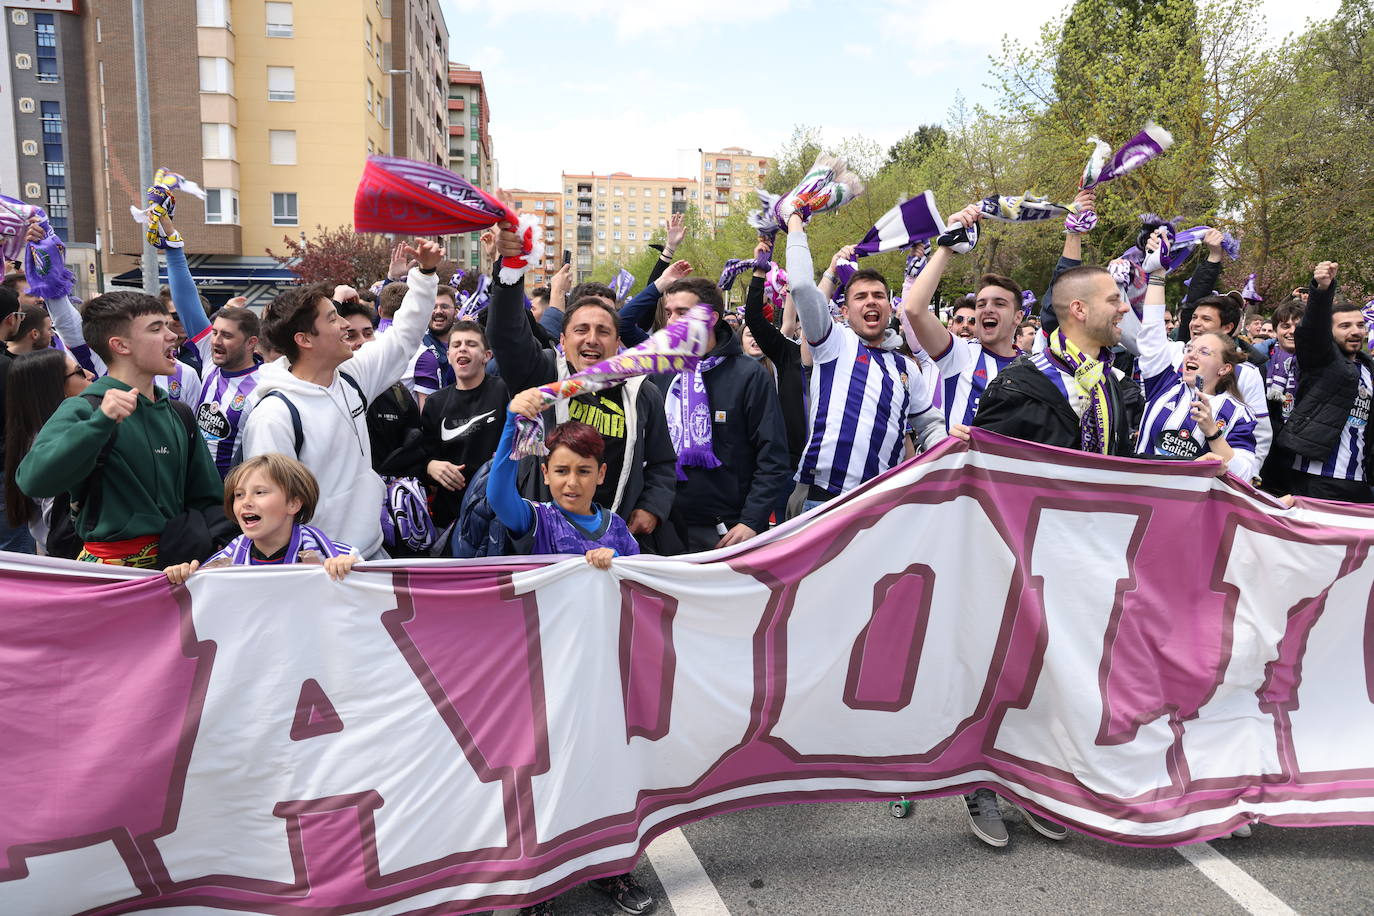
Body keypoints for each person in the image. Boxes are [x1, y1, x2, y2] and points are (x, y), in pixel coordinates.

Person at [490, 392, 654, 916]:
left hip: (604, 675)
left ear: (601, 475)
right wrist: (514, 425)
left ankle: (611, 870)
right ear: (547, 471)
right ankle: (542, 881)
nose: (570, 482)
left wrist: (618, 567)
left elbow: (644, 589)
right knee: (546, 780)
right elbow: (498, 495)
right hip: (543, 674)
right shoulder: (536, 521)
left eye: (583, 472)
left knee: (605, 771)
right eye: (560, 471)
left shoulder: (618, 530)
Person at [242, 240, 443, 559]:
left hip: (370, 554)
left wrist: (425, 273)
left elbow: (404, 335)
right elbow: (265, 507)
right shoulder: (274, 416)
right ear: (304, 340)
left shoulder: (351, 375)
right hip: (319, 571)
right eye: (333, 319)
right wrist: (305, 560)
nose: (346, 325)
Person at [487, 224, 676, 547]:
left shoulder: (642, 391)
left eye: (603, 331)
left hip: (612, 541)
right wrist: (510, 268)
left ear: (618, 343)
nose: (592, 339)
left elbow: (662, 462)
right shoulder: (544, 371)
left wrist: (652, 506)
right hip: (544, 543)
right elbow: (505, 336)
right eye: (581, 330)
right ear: (562, 339)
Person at [15, 290, 223, 567]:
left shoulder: (179, 414)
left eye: (167, 325)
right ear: (120, 345)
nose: (172, 335)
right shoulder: (85, 409)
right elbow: (33, 480)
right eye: (156, 328)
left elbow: (209, 500)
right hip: (109, 581)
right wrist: (100, 424)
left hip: (177, 573)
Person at [786, 211, 944, 509]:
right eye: (860, 297)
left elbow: (929, 425)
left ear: (889, 307)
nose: (871, 301)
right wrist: (795, 219)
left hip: (880, 507)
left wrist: (950, 449)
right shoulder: (833, 341)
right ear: (844, 311)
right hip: (821, 500)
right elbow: (803, 289)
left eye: (878, 295)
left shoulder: (907, 367)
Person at [652, 277, 790, 550]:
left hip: (728, 532)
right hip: (664, 526)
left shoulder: (749, 376)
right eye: (669, 313)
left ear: (711, 318)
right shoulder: (659, 374)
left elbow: (773, 457)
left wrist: (751, 521)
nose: (671, 321)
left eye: (682, 312)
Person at [1134, 232, 1259, 481]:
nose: (1191, 353)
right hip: (1141, 492)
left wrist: (1212, 432)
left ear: (1224, 368)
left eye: (1204, 351)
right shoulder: (1164, 384)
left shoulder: (1238, 413)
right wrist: (1157, 274)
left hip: (1194, 509)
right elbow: (1151, 332)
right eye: (1190, 349)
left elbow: (1246, 473)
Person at [165, 453, 358, 583]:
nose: (246, 502)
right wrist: (181, 578)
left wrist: (352, 570)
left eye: (260, 492)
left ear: (293, 503)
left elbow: (369, 597)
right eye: (239, 495)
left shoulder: (335, 556)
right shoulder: (221, 565)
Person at [1276, 261, 1374, 502]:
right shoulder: (1321, 361)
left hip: (1360, 481)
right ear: (1329, 333)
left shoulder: (1369, 369)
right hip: (1316, 479)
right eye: (1345, 326)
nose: (1355, 331)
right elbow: (1310, 334)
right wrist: (1322, 290)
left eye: (1360, 325)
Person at [397, 320, 509, 530]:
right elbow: (422, 457)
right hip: (452, 518)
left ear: (487, 356)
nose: (463, 348)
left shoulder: (504, 391)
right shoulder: (435, 402)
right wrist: (431, 467)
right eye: (456, 345)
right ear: (448, 356)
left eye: (471, 344)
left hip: (499, 513)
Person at [3, 348, 93, 553]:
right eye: (79, 371)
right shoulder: (49, 446)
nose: (90, 374)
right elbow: (60, 520)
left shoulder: (31, 435)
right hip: (74, 559)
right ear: (55, 388)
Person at [195, 306, 263, 478]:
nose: (216, 341)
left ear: (251, 342)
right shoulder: (211, 365)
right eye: (215, 332)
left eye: (227, 336)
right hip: (194, 490)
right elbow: (186, 303)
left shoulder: (262, 388)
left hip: (230, 492)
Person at [404, 284, 458, 406]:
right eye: (433, 307)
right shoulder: (416, 344)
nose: (438, 311)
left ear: (455, 311)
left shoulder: (465, 345)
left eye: (444, 306)